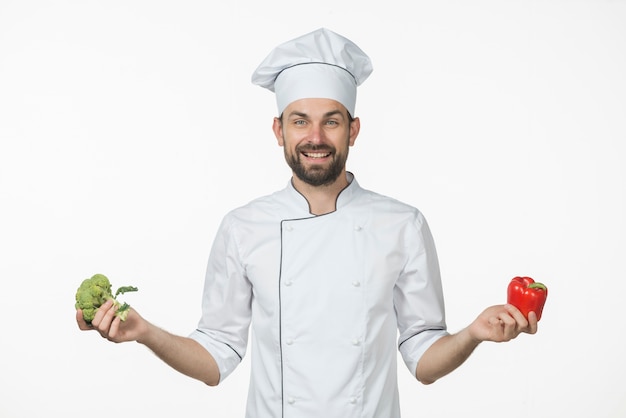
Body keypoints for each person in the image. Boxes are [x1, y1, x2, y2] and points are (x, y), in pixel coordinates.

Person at [76, 28, 538, 418]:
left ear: (353, 130)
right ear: (279, 130)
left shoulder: (402, 225)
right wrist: (144, 332)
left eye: (331, 122)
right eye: (300, 121)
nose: (315, 138)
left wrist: (473, 334)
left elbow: (424, 358)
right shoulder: (243, 227)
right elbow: (216, 356)